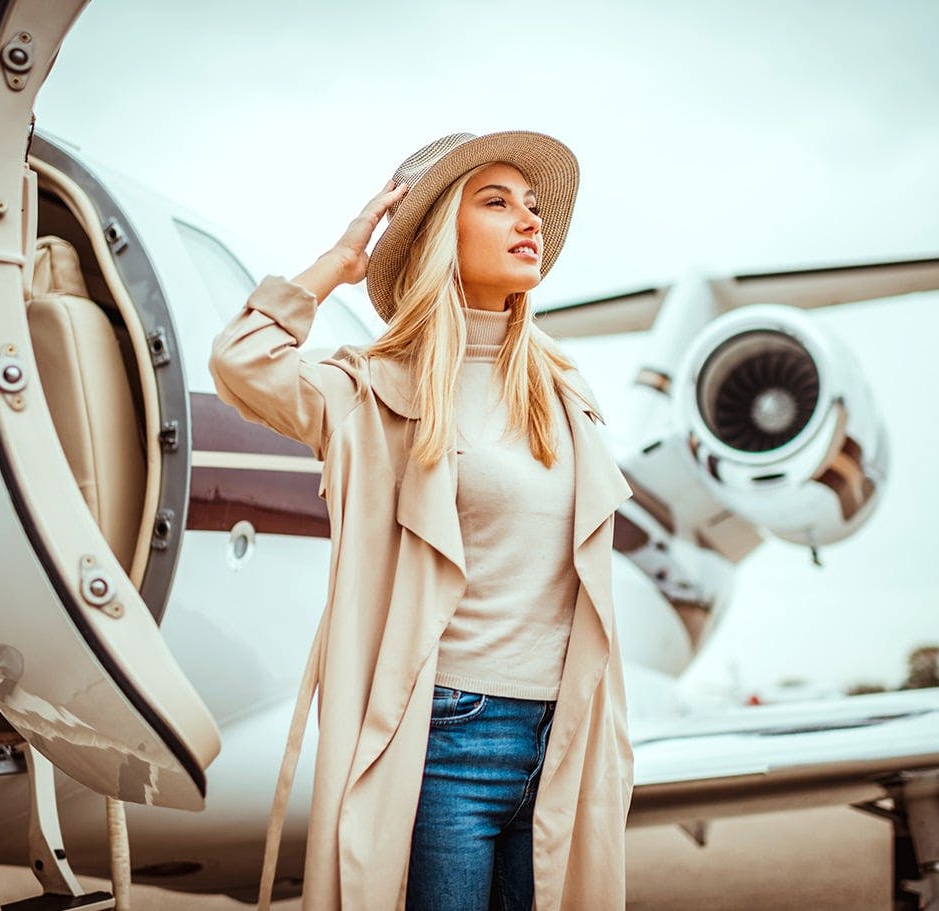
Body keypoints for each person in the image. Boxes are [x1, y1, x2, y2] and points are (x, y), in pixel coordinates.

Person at [209, 131, 634, 911]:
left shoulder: (563, 395)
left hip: (564, 732)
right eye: (497, 202)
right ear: (443, 230)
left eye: (533, 206)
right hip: (447, 736)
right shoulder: (371, 392)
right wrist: (342, 259)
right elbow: (243, 358)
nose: (528, 221)